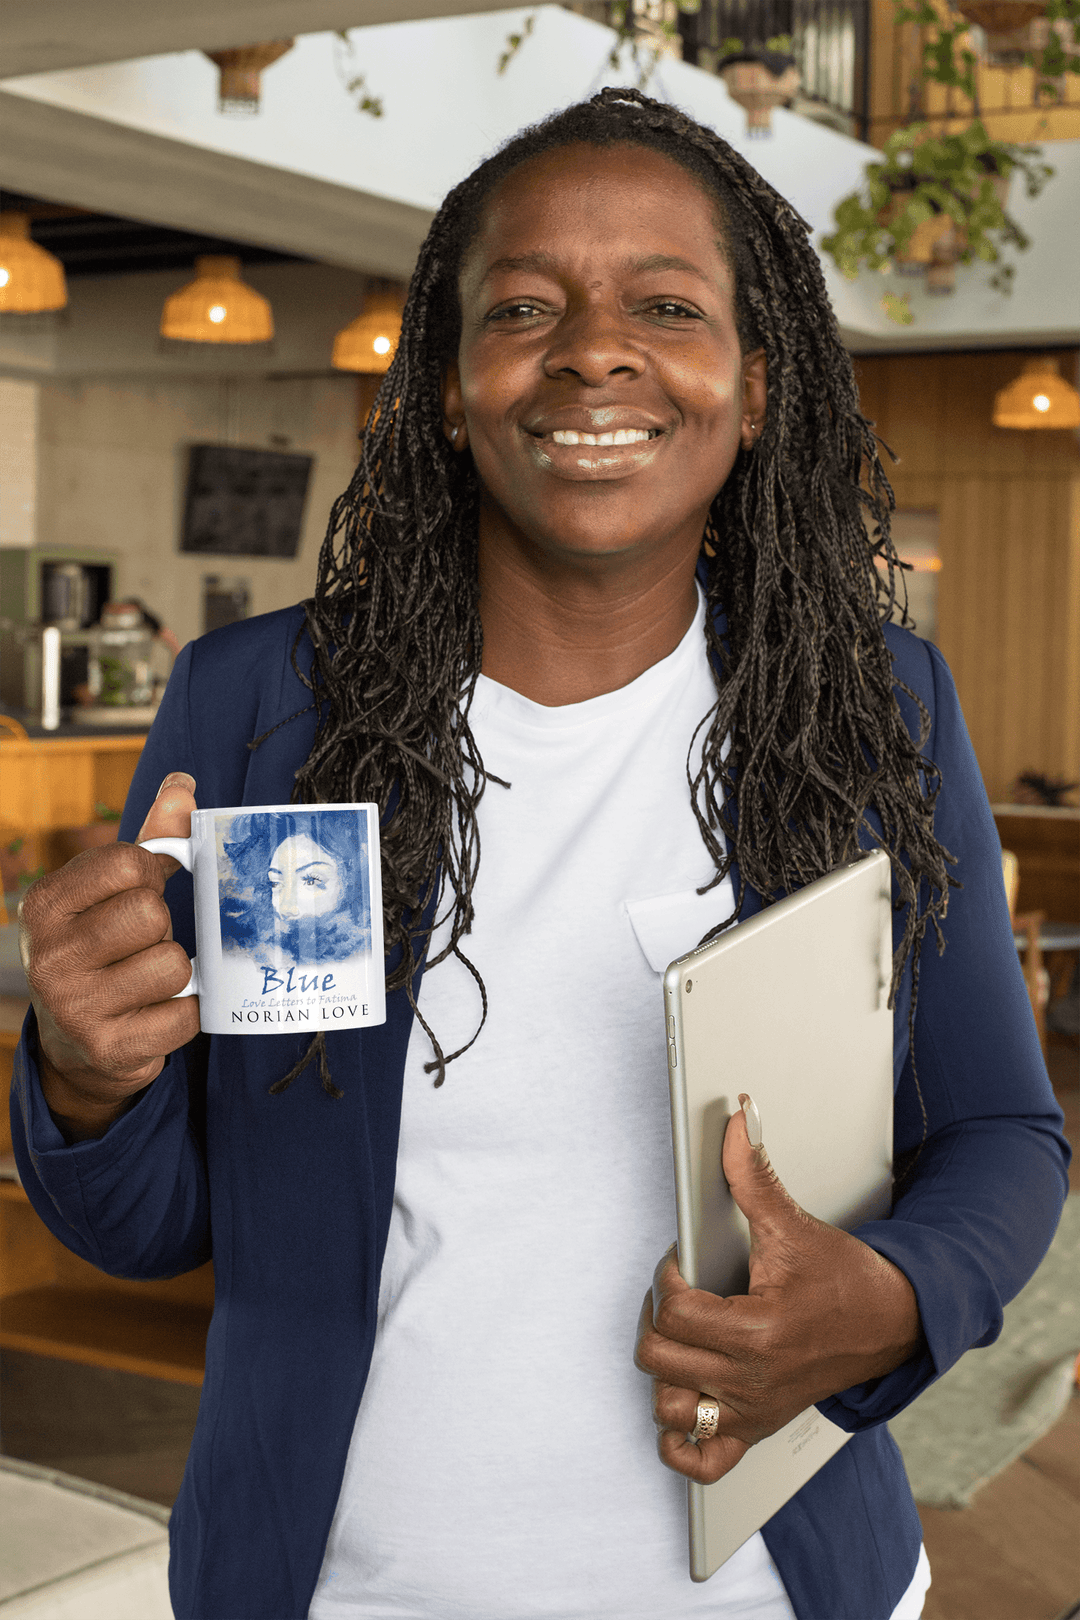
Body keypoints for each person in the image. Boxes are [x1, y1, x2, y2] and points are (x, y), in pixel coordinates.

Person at [12, 90, 1067, 1620]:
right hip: (342, 1589)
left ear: (754, 390)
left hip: (778, 1588)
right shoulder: (256, 710)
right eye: (523, 306)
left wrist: (890, 1298)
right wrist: (87, 1077)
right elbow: (156, 1224)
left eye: (666, 304)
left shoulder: (874, 712)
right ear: (448, 390)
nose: (592, 348)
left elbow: (1004, 1139)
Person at [218, 811, 371, 965]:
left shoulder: (364, 953)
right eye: (275, 883)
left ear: (350, 881)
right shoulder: (250, 952)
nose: (286, 908)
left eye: (311, 881)